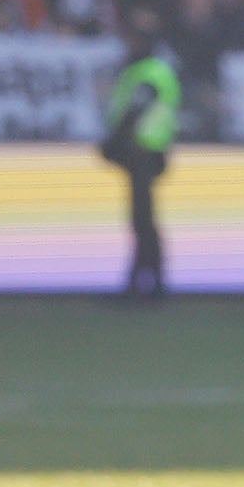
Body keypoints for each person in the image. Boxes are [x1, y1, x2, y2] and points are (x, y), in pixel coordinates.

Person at [100, 23, 180, 299]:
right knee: (143, 220)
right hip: (146, 152)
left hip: (143, 152)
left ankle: (147, 284)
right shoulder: (154, 71)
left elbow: (136, 109)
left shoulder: (148, 72)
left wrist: (112, 142)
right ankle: (144, 281)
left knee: (143, 221)